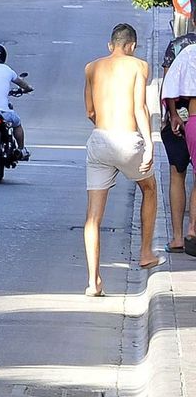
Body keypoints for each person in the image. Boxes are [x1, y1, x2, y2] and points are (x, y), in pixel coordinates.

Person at [82, 23, 161, 296]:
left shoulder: (91, 68)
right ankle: (146, 253)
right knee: (149, 188)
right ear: (132, 46)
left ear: (110, 45)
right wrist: (149, 145)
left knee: (93, 216)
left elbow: (90, 111)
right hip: (127, 140)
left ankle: (93, 281)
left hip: (100, 139)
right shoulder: (139, 66)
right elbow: (140, 107)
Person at [159, 20, 196, 257]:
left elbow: (167, 84)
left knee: (177, 175)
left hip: (179, 120)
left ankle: (177, 237)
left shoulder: (178, 45)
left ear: (192, 20)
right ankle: (193, 230)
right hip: (192, 117)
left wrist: (170, 115)